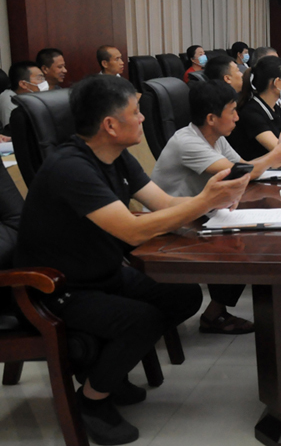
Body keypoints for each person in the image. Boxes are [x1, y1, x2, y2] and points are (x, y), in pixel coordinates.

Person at [14, 75, 249, 445]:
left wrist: (213, 202)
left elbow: (164, 203)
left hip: (101, 272)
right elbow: (133, 231)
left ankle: (104, 369)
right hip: (56, 287)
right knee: (142, 320)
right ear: (110, 125)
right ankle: (91, 399)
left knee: (183, 295)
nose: (142, 118)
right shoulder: (71, 167)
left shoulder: (117, 157)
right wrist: (205, 201)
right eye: (136, 112)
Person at [152, 80, 281, 334]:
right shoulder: (187, 142)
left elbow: (243, 167)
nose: (237, 117)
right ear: (211, 118)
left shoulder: (215, 138)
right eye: (232, 111)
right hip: (171, 223)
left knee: (248, 230)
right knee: (241, 239)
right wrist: (275, 155)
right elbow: (239, 171)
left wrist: (275, 154)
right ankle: (215, 315)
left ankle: (220, 311)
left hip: (197, 213)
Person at [1, 61, 48, 129]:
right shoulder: (9, 99)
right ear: (23, 84)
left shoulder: (30, 98)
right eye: (40, 78)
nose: (44, 82)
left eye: (43, 78)